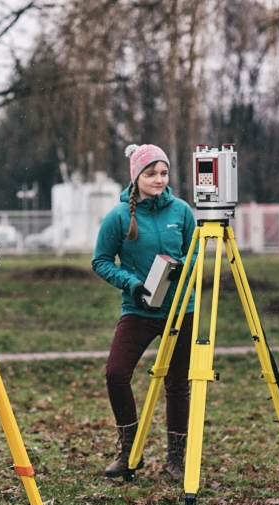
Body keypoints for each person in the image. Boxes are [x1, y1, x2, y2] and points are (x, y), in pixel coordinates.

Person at [92, 144, 196, 480]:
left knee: (178, 385)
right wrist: (132, 283)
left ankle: (176, 460)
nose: (159, 179)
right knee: (116, 373)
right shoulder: (119, 216)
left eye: (163, 173)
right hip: (138, 309)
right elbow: (101, 261)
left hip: (181, 309)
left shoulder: (181, 211)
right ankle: (129, 450)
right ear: (136, 176)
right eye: (151, 173)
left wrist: (184, 267)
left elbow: (197, 251)